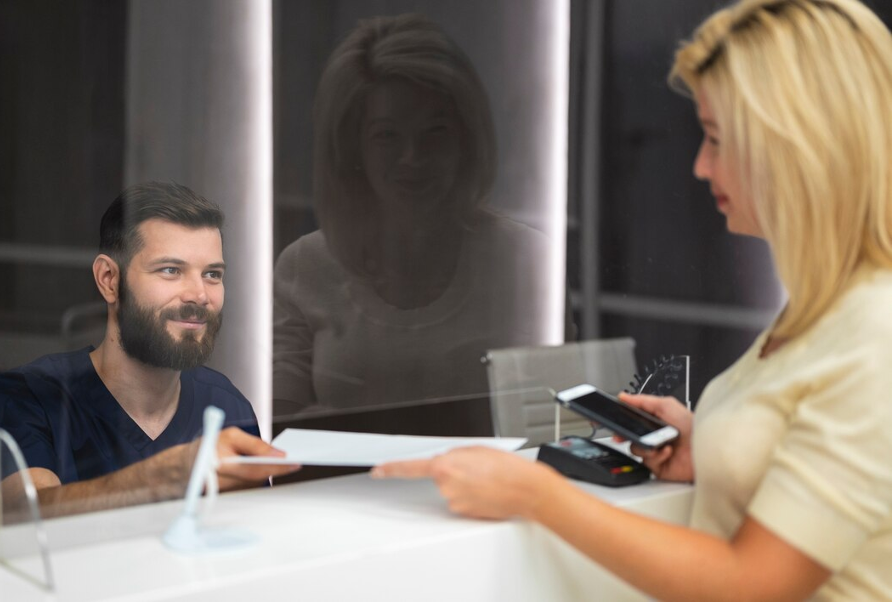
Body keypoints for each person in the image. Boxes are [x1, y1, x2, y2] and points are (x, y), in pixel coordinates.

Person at [374, 0, 892, 599]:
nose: (700, 166)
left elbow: (751, 583)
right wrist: (716, 444)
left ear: (799, 147)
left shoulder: (874, 334)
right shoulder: (822, 312)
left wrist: (536, 494)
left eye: (718, 140)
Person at [273, 14, 561, 418]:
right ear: (354, 149)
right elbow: (272, 429)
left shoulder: (525, 259)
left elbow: (563, 422)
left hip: (485, 483)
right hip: (340, 484)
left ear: (466, 137)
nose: (414, 158)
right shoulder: (305, 265)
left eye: (435, 132)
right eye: (388, 136)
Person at [0, 182, 297, 518]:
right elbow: (21, 515)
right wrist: (161, 478)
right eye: (171, 270)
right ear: (109, 279)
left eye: (212, 274)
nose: (199, 295)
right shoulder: (29, 397)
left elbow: (254, 531)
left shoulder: (227, 404)